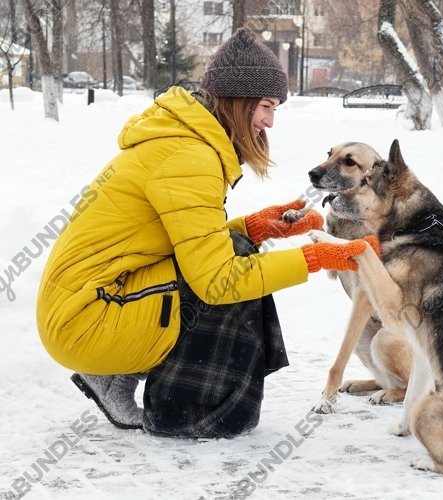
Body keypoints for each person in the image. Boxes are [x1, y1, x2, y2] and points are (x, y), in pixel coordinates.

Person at [36, 28, 379, 438]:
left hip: (87, 302)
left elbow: (189, 241)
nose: (270, 120)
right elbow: (216, 280)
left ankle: (115, 374)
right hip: (87, 317)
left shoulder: (183, 140)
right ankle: (189, 411)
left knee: (236, 250)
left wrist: (253, 227)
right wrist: (318, 257)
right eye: (266, 106)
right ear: (238, 101)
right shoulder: (190, 156)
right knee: (234, 277)